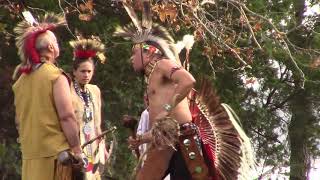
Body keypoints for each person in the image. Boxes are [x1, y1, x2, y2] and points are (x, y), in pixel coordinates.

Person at [115, 1, 255, 180]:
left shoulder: (163, 64)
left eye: (134, 53)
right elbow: (163, 125)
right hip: (165, 140)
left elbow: (188, 81)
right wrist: (142, 138)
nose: (131, 58)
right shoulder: (152, 80)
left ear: (149, 52)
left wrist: (165, 109)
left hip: (182, 139)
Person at [12, 13, 83, 180]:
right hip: (56, 159)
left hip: (30, 159)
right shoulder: (55, 76)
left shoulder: (20, 82)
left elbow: (18, 121)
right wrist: (77, 149)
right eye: (56, 43)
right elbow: (66, 116)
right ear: (51, 47)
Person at [69, 38, 107, 180]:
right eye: (82, 71)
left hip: (94, 144)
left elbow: (97, 124)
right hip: (77, 146)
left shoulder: (95, 90)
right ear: (74, 71)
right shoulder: (68, 90)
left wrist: (102, 148)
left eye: (89, 71)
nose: (86, 75)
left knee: (93, 175)